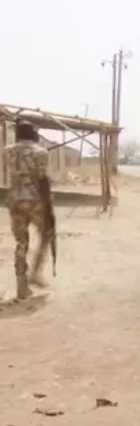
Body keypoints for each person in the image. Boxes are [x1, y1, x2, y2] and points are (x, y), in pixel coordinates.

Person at [4, 121, 55, 300]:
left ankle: (22, 287)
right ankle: (35, 273)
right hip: (34, 200)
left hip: (15, 200)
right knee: (47, 234)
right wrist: (49, 205)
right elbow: (43, 179)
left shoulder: (8, 151)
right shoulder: (40, 152)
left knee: (21, 242)